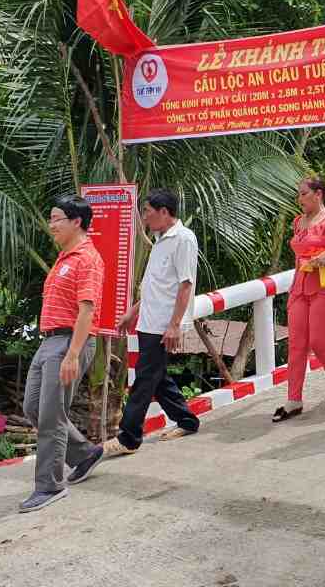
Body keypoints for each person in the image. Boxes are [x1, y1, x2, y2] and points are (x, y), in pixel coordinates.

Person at [20, 196, 106, 512]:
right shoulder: (63, 258)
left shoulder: (88, 259)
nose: (51, 225)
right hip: (49, 341)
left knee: (51, 417)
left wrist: (73, 355)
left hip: (70, 342)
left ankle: (49, 486)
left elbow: (87, 311)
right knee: (33, 407)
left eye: (56, 219)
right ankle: (83, 453)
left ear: (76, 222)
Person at [105, 188, 201, 457]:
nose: (144, 217)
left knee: (145, 379)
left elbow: (185, 285)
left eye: (147, 211)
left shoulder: (183, 239)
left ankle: (128, 437)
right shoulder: (160, 240)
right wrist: (132, 312)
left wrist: (174, 325)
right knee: (156, 378)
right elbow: (154, 286)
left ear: (164, 212)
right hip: (149, 319)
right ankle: (186, 421)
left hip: (163, 323)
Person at [271, 177, 325, 423]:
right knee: (296, 344)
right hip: (300, 287)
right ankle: (294, 400)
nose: (300, 199)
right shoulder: (298, 222)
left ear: (318, 194)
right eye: (299, 194)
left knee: (317, 342)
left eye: (304, 194)